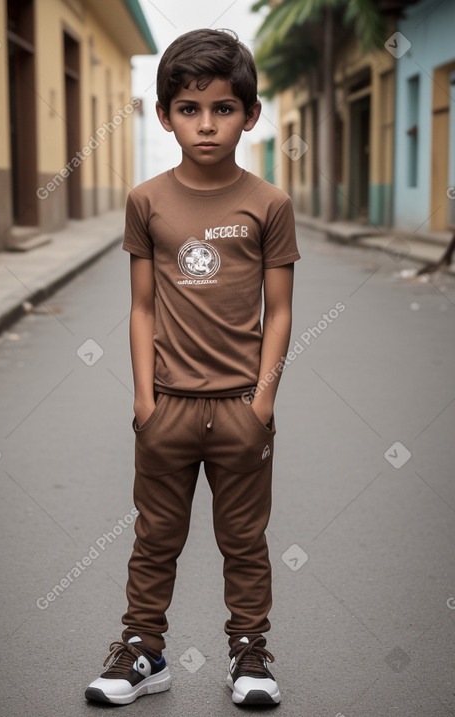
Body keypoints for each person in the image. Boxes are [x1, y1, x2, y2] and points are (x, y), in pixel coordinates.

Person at [85, 27, 300, 707]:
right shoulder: (147, 200)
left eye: (223, 108)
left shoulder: (268, 205)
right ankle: (144, 652)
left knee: (245, 541)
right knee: (155, 538)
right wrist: (146, 402)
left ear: (250, 115)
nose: (206, 124)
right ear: (164, 115)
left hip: (240, 406)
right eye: (189, 108)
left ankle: (250, 654)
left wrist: (261, 403)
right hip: (168, 408)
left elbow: (282, 311)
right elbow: (142, 306)